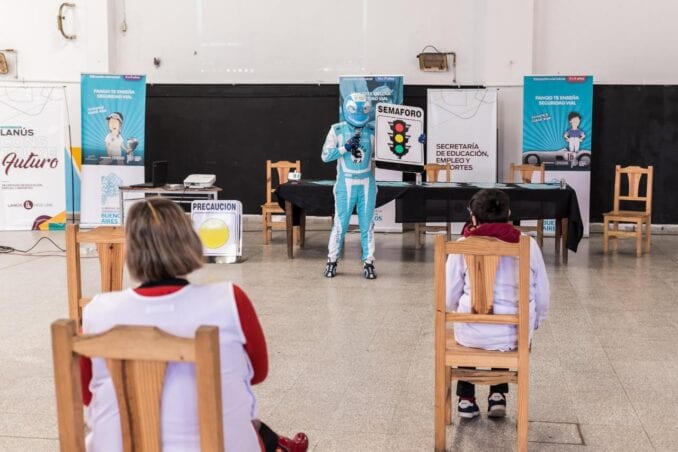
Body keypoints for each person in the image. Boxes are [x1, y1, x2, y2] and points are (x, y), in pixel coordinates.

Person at [80, 197, 308, 452]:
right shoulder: (230, 300)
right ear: (188, 241)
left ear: (131, 249)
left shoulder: (96, 312)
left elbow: (89, 395)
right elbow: (258, 373)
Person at [446, 189, 549, 419]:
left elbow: (448, 298)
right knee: (506, 323)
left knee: (469, 327)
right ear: (509, 214)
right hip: (513, 335)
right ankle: (497, 396)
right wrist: (534, 324)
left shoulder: (462, 245)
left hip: (470, 333)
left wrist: (459, 313)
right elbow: (543, 294)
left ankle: (466, 399)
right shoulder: (528, 245)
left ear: (473, 218)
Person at [321, 92, 378, 279]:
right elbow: (325, 156)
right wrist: (344, 147)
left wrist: (414, 143)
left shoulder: (373, 131)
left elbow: (389, 153)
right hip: (345, 183)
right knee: (341, 224)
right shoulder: (337, 130)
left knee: (367, 224)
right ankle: (332, 260)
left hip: (367, 183)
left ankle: (369, 262)